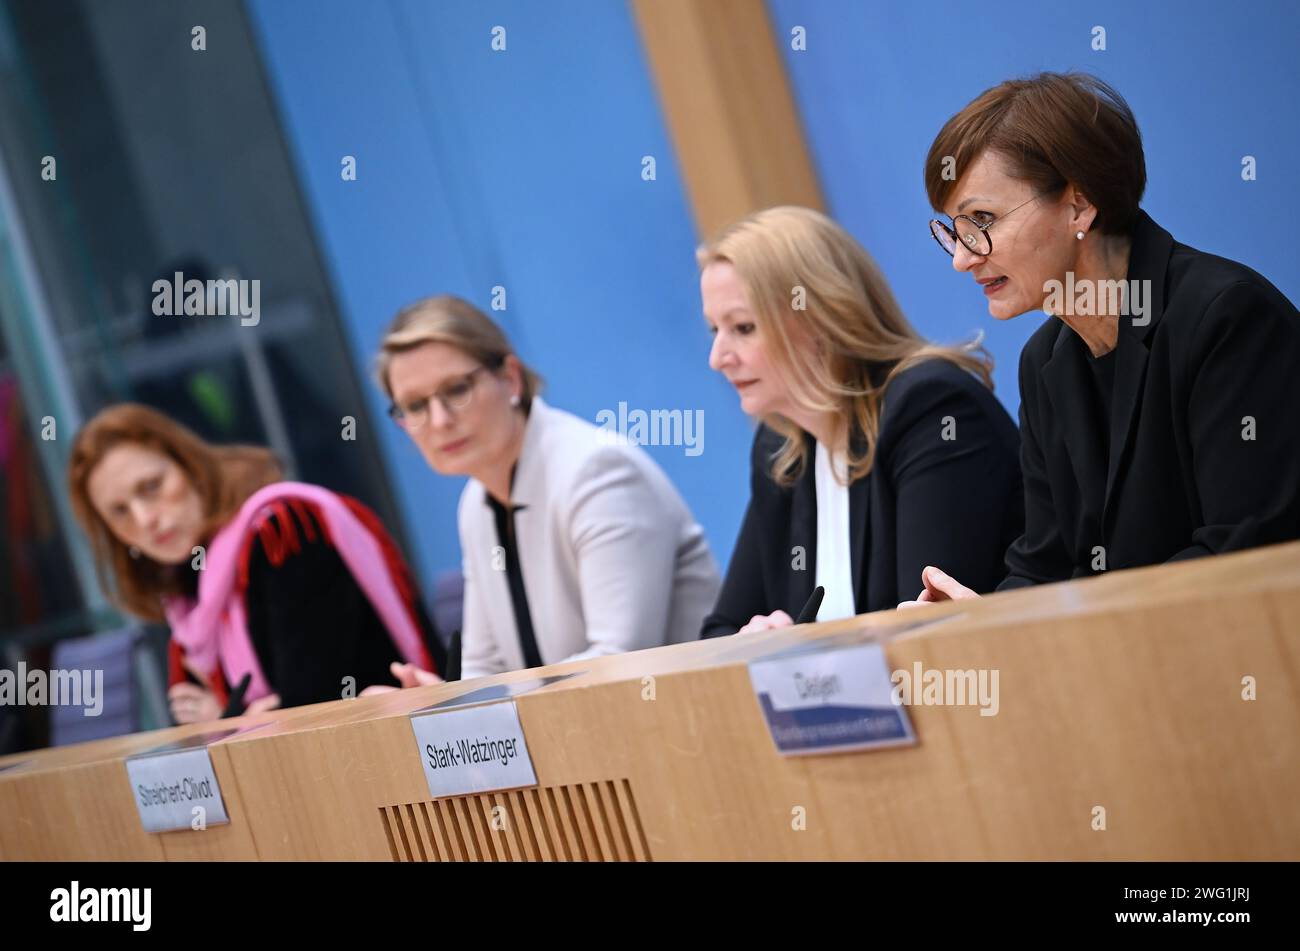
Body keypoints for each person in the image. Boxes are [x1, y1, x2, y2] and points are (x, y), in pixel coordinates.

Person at [906, 72, 1300, 606]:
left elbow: (1241, 556)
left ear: (1079, 205)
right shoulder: (1044, 361)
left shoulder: (1226, 319)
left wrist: (1065, 622)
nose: (962, 257)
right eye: (954, 230)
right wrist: (983, 622)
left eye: (983, 220)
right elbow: (1042, 565)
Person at [697, 206, 1022, 637]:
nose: (718, 358)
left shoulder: (930, 410)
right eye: (713, 330)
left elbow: (924, 625)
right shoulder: (781, 448)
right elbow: (720, 631)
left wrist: (797, 654)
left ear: (823, 317)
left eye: (742, 327)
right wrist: (754, 642)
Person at [376, 295, 720, 678]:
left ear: (510, 378)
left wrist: (490, 697)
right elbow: (484, 667)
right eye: (415, 406)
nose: (439, 421)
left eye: (456, 390)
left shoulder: (596, 470)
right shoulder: (476, 502)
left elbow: (619, 660)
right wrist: (441, 701)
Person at [68, 404, 444, 723]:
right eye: (119, 512)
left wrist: (228, 720)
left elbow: (313, 712)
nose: (145, 518)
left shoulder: (284, 531)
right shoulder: (187, 597)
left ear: (188, 464)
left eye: (151, 487)